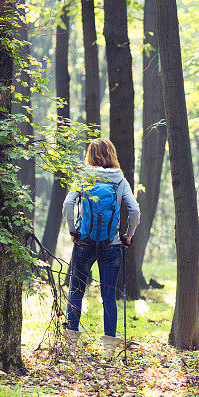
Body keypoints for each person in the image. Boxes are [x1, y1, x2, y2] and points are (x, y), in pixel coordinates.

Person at [62, 138, 140, 361]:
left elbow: (68, 204)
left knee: (76, 291)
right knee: (108, 296)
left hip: (84, 242)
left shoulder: (84, 176)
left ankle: (70, 346)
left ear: (90, 155)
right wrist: (128, 235)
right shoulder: (119, 180)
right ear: (112, 154)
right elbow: (134, 210)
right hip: (111, 244)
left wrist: (72, 230)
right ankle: (108, 349)